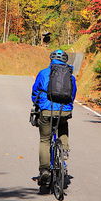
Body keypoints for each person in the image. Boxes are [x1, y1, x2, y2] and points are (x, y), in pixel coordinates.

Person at [31, 49, 77, 186]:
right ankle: (64, 150)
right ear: (65, 61)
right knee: (63, 125)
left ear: (51, 59)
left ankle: (44, 170)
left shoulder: (43, 73)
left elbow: (35, 92)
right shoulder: (70, 76)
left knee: (45, 140)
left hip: (46, 110)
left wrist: (37, 104)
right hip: (64, 111)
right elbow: (73, 95)